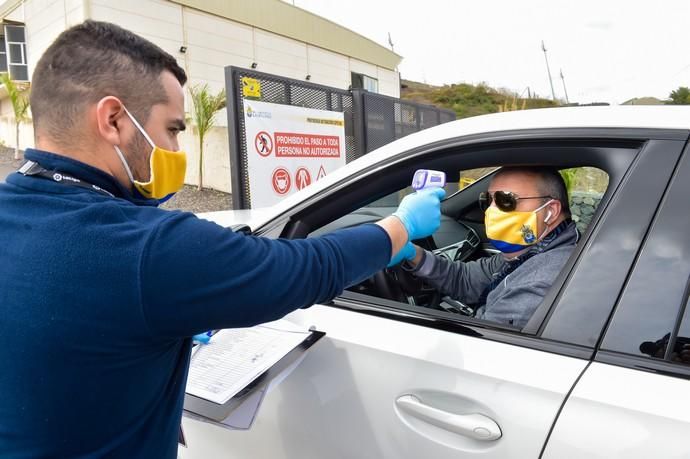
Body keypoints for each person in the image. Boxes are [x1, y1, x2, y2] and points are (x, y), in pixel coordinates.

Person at [0, 21, 445, 457]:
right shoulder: (144, 248)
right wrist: (400, 225)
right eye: (173, 129)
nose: (176, 150)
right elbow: (305, 269)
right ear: (114, 119)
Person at [399, 166, 579, 328]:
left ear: (551, 211)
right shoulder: (529, 253)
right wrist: (411, 253)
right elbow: (465, 280)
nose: (490, 210)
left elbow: (481, 349)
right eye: (488, 200)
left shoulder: (539, 284)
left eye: (505, 200)